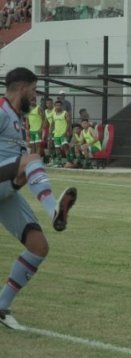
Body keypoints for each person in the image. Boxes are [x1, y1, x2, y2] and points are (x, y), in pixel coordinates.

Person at [0, 67, 77, 330]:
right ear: (22, 88)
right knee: (31, 160)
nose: (35, 98)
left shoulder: (18, 118)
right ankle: (52, 208)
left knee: (39, 246)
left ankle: (1, 306)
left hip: (6, 188)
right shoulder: (0, 110)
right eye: (33, 92)